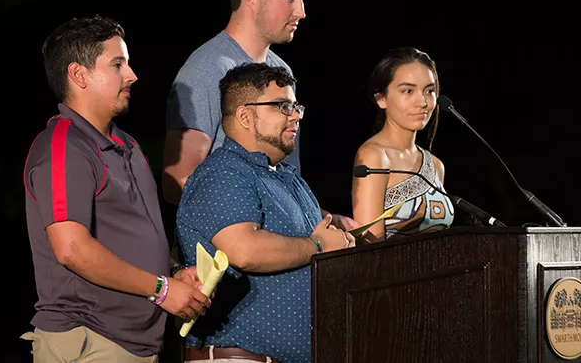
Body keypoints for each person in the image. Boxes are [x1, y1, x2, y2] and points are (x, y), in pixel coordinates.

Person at [21, 15, 211, 362]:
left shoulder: (128, 145)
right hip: (89, 340)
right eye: (117, 64)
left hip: (132, 345)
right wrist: (162, 289)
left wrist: (172, 273)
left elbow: (131, 237)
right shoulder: (64, 146)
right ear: (78, 75)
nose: (132, 75)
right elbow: (72, 249)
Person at [176, 63, 354, 363]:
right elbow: (244, 250)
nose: (295, 116)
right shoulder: (224, 173)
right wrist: (319, 246)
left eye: (296, 106)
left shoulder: (288, 178)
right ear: (245, 115)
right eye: (282, 106)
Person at [162, 0, 310, 205]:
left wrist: (316, 217)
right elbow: (179, 181)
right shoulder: (206, 68)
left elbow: (285, 180)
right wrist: (244, 230)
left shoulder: (283, 71)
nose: (301, 11)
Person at [351, 47, 455, 244]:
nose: (422, 102)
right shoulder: (374, 156)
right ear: (381, 99)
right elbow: (370, 246)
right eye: (408, 91)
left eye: (430, 91)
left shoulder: (435, 165)